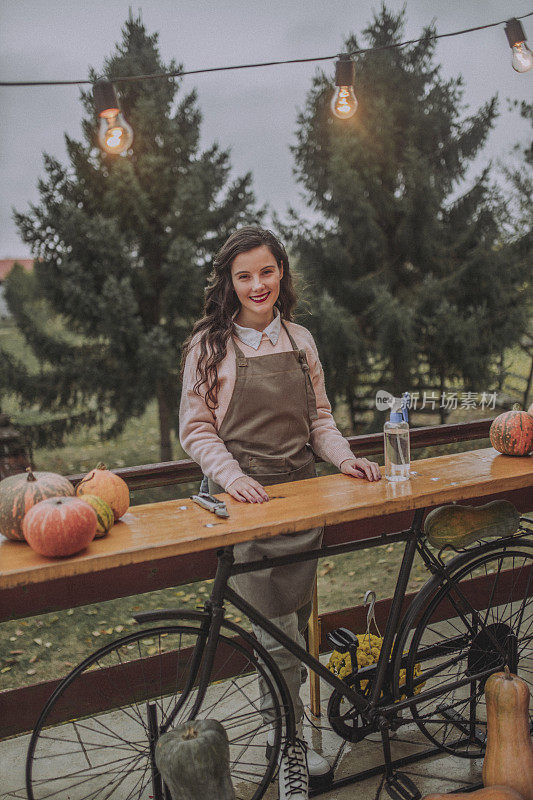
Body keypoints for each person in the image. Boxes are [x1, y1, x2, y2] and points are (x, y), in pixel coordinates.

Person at [179, 226, 381, 800]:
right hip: (245, 501)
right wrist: (234, 478)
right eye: (244, 275)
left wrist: (345, 459)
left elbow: (320, 420)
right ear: (230, 282)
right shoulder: (210, 346)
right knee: (275, 630)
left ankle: (286, 734)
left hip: (300, 497)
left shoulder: (301, 340)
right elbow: (195, 428)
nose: (257, 284)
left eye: (266, 271)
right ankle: (291, 743)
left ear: (282, 273)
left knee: (289, 629)